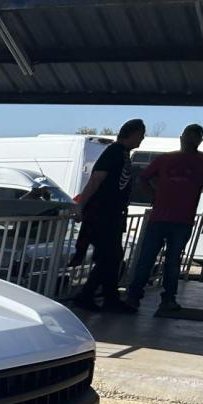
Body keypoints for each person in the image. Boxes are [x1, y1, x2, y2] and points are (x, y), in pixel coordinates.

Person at [123, 123, 203, 313]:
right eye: (188, 135)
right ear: (182, 137)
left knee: (172, 261)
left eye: (195, 136)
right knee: (147, 258)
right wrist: (154, 196)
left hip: (182, 220)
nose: (191, 139)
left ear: (200, 140)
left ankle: (167, 299)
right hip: (161, 218)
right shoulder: (165, 158)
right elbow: (142, 178)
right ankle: (134, 297)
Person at [68, 119, 146, 313]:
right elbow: (96, 180)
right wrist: (80, 205)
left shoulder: (124, 154)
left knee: (112, 257)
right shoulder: (113, 152)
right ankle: (89, 296)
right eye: (141, 134)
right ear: (133, 134)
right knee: (109, 257)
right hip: (102, 214)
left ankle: (108, 297)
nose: (142, 139)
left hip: (112, 215)